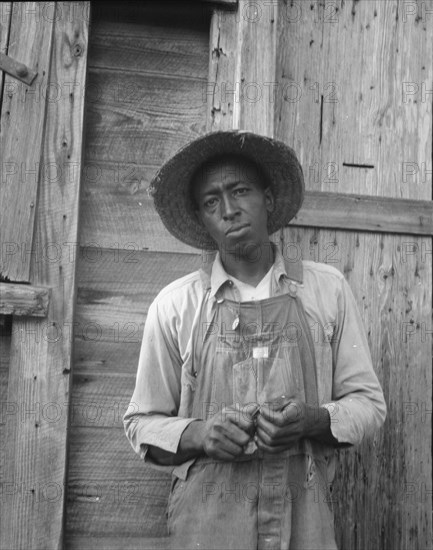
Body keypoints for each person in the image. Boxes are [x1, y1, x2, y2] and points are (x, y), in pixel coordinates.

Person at [123, 130, 386, 550]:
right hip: (208, 527)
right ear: (202, 219)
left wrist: (311, 421)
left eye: (240, 190)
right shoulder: (176, 305)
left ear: (267, 198)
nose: (228, 210)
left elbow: (368, 405)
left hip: (305, 522)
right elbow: (140, 423)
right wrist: (201, 434)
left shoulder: (326, 290)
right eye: (211, 202)